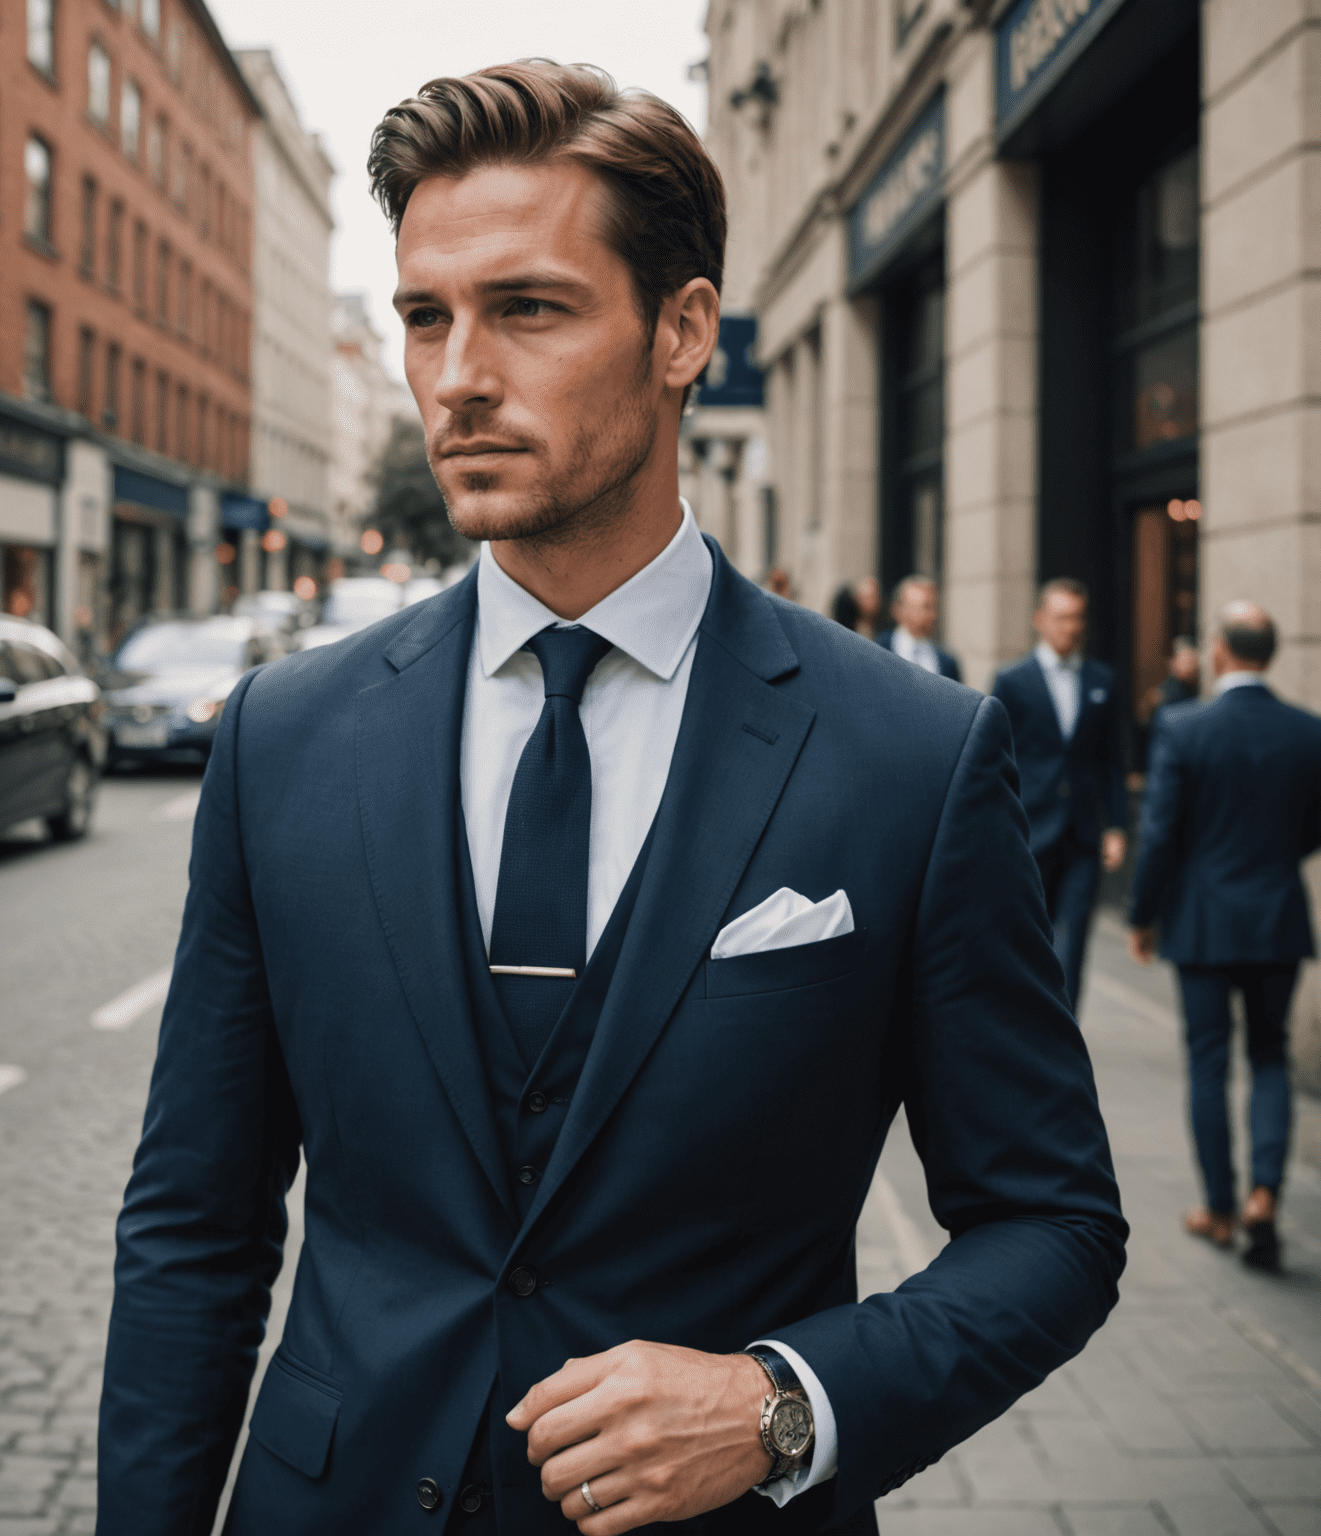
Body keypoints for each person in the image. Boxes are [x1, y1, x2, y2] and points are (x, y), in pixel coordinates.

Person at [98, 62, 1125, 1536]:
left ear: (683, 331)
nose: (457, 374)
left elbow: (1053, 1225)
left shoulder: (911, 750)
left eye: (528, 308)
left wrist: (783, 1405)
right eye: (424, 316)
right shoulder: (286, 735)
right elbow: (194, 1226)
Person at [1128, 602, 1321, 1271]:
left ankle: (1219, 1207)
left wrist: (1141, 915)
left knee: (1209, 1062)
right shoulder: (1307, 731)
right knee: (1271, 1056)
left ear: (1219, 652)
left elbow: (1160, 834)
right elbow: (1312, 829)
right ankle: (1267, 1193)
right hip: (1276, 918)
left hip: (1204, 920)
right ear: (1270, 653)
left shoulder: (1184, 727)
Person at [992, 579, 1126, 1012]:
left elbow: (1114, 761)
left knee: (1076, 939)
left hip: (1084, 831)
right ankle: (1025, 1023)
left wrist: (1118, 825)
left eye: (1078, 618)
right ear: (1040, 620)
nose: (1071, 627)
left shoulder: (1103, 679)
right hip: (1031, 827)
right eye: (1062, 617)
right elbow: (998, 757)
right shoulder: (1013, 681)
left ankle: (1065, 1028)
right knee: (1029, 934)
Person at [875, 576, 962, 682]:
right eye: (926, 607)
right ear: (899, 610)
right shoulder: (878, 650)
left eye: (935, 606)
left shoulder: (947, 661)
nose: (933, 615)